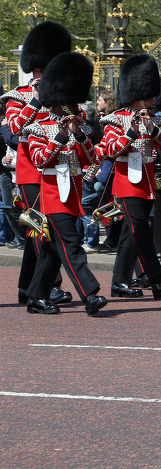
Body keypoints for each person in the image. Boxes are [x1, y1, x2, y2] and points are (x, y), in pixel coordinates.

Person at [22, 52, 108, 316]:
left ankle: (36, 296)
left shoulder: (76, 126)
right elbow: (39, 160)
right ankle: (90, 295)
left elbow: (93, 157)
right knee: (71, 245)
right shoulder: (37, 127)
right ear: (56, 101)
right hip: (51, 195)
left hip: (72, 193)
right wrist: (59, 137)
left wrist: (79, 134)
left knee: (51, 252)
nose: (73, 107)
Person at [3, 21, 74, 307]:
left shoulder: (61, 96)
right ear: (37, 68)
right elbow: (14, 130)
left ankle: (27, 287)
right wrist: (36, 99)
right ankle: (49, 285)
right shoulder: (18, 96)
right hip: (30, 171)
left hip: (58, 170)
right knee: (43, 229)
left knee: (38, 229)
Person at [101, 55, 161, 300]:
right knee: (139, 230)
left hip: (147, 182)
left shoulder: (156, 119)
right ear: (137, 95)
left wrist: (153, 128)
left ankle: (119, 283)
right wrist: (132, 134)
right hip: (126, 182)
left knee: (130, 234)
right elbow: (110, 151)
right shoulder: (115, 119)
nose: (154, 100)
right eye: (150, 96)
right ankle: (156, 280)